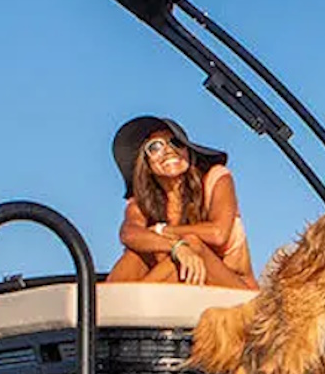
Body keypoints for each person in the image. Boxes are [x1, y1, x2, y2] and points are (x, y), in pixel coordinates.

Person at [106, 116, 259, 289]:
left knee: (192, 243)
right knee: (137, 252)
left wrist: (162, 231)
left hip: (235, 290)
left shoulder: (215, 179)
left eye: (176, 142)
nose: (168, 151)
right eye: (155, 147)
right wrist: (175, 247)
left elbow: (218, 233)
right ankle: (107, 301)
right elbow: (129, 234)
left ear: (188, 152)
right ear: (146, 162)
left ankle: (129, 301)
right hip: (182, 290)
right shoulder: (143, 201)